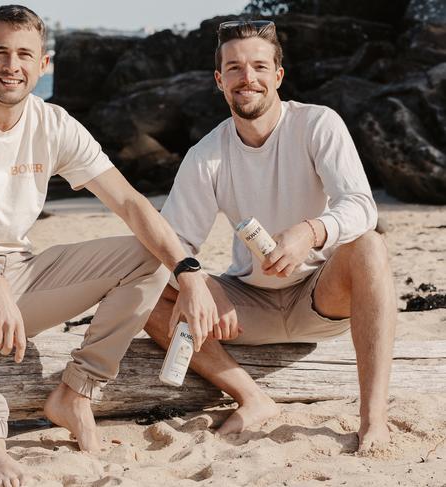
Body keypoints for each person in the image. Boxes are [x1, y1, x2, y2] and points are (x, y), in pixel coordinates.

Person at [0, 5, 217, 487]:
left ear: (44, 65)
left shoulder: (53, 123)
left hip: (15, 277)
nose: (11, 65)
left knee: (150, 253)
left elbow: (129, 202)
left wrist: (189, 272)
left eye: (25, 54)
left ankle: (77, 391)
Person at [144, 20, 396, 452]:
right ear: (219, 80)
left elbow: (361, 205)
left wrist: (311, 231)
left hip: (320, 296)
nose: (249, 78)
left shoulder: (317, 124)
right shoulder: (207, 155)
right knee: (144, 290)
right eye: (235, 68)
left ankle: (373, 420)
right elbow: (174, 243)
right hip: (247, 306)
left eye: (259, 66)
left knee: (370, 245)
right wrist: (199, 284)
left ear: (278, 75)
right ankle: (252, 397)